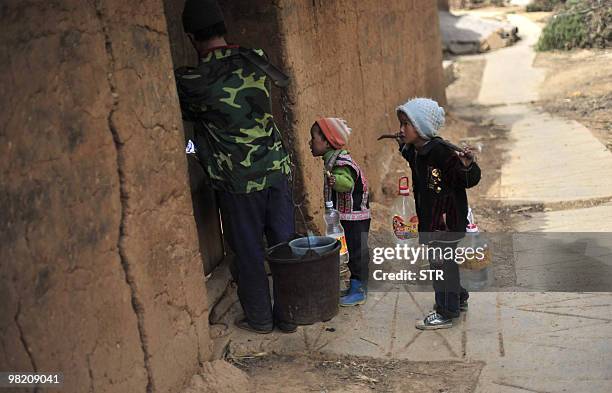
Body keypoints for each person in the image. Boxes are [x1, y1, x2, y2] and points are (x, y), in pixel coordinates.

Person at [175, 0, 295, 334]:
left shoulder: (193, 80)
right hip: (276, 170)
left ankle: (259, 318)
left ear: (190, 38)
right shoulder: (255, 58)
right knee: (284, 244)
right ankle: (289, 315)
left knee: (249, 251)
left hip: (240, 182)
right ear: (223, 28)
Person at [395, 98, 481, 330]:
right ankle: (458, 297)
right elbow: (409, 156)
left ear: (421, 127)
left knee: (441, 264)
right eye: (400, 124)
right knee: (443, 263)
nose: (401, 129)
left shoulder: (442, 152)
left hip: (446, 220)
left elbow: (467, 180)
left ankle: (446, 311)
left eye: (406, 124)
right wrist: (401, 143)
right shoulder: (417, 150)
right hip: (431, 220)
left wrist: (467, 165)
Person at [309, 117, 371, 306]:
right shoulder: (332, 159)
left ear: (327, 142)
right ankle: (355, 284)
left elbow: (347, 182)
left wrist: (336, 181)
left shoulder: (342, 162)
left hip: (355, 216)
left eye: (314, 138)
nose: (310, 143)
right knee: (351, 250)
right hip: (347, 214)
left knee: (356, 251)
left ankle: (359, 288)